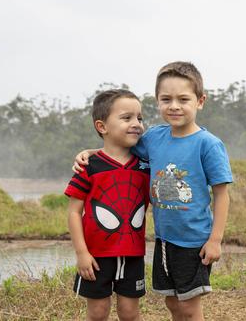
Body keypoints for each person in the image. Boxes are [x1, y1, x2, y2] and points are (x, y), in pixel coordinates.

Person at [74, 62, 232, 321]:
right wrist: (90, 153)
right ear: (157, 101)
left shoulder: (208, 144)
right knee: (172, 301)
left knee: (190, 307)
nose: (174, 106)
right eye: (166, 99)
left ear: (200, 101)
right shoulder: (154, 138)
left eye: (183, 99)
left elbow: (222, 194)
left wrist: (215, 240)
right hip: (164, 239)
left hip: (194, 240)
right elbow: (119, 146)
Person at [65, 89, 150, 321]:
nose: (136, 124)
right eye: (126, 118)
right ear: (102, 127)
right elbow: (74, 212)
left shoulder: (146, 166)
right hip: (96, 256)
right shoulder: (89, 166)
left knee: (130, 313)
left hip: (133, 253)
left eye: (140, 118)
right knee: (98, 312)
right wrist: (82, 253)